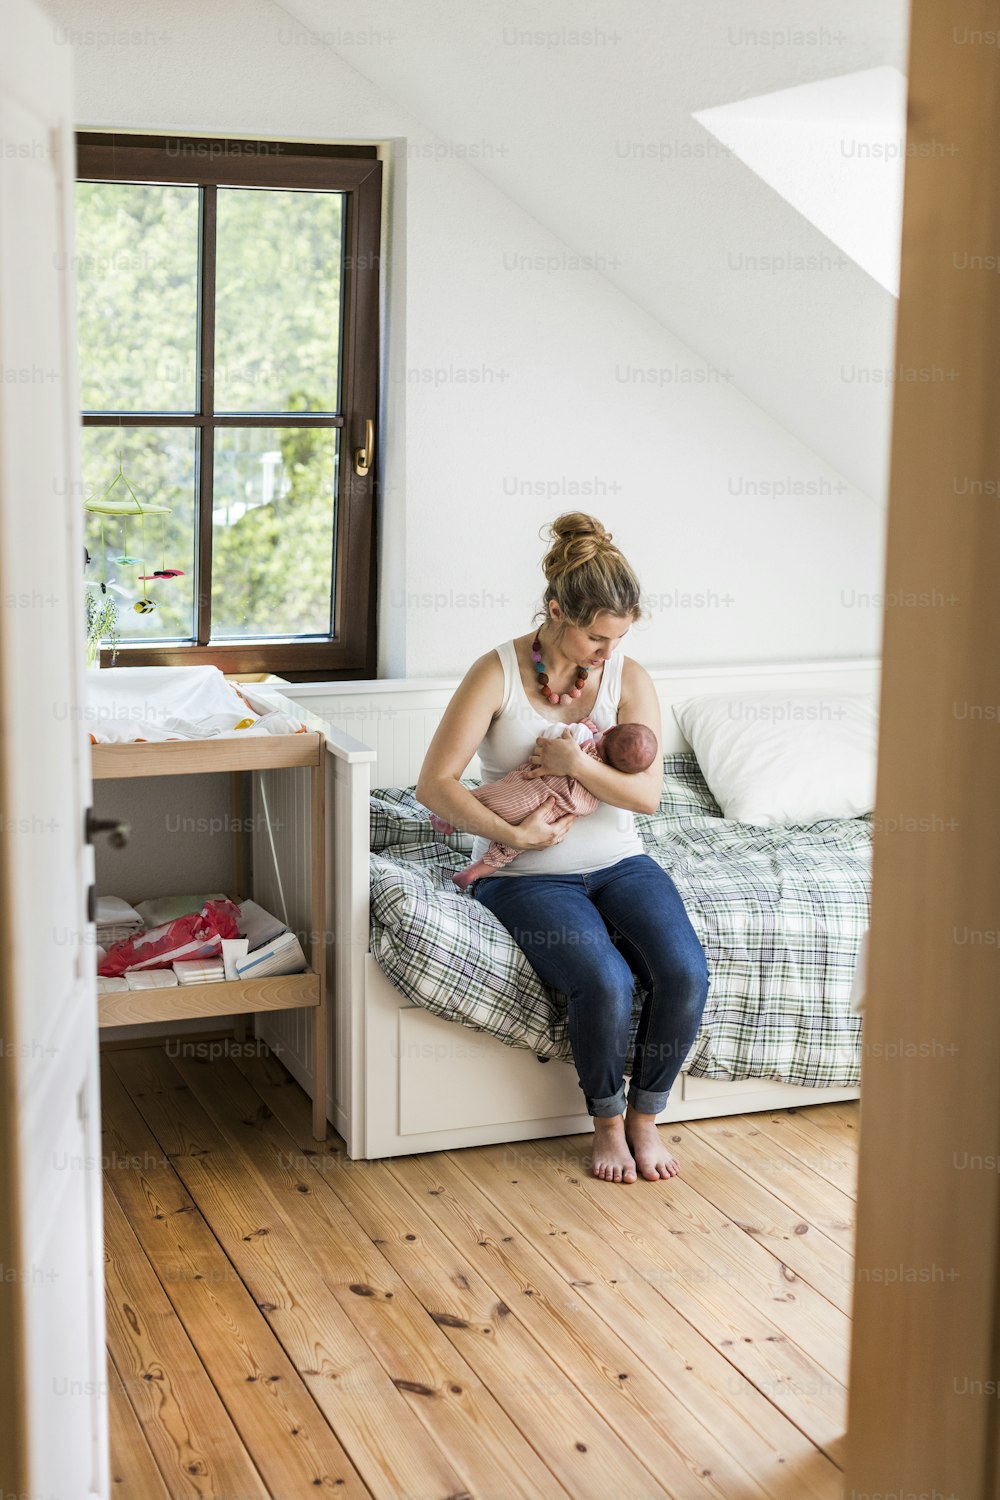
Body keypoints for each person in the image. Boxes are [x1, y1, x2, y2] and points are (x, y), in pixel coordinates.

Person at [415, 512, 709, 1184]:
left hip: (621, 863)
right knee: (603, 979)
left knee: (684, 971)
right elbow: (435, 783)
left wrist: (575, 766)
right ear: (556, 611)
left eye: (620, 637)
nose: (608, 652)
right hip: (527, 876)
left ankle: (645, 1118)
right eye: (597, 636)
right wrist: (513, 836)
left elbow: (647, 797)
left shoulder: (628, 677)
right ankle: (606, 1122)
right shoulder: (494, 672)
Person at [427, 718, 659, 889]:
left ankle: (448, 820)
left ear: (607, 731)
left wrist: (583, 727)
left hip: (520, 795)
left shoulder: (580, 738)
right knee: (507, 852)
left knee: (484, 797)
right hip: (539, 821)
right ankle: (473, 872)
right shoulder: (603, 789)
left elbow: (551, 736)